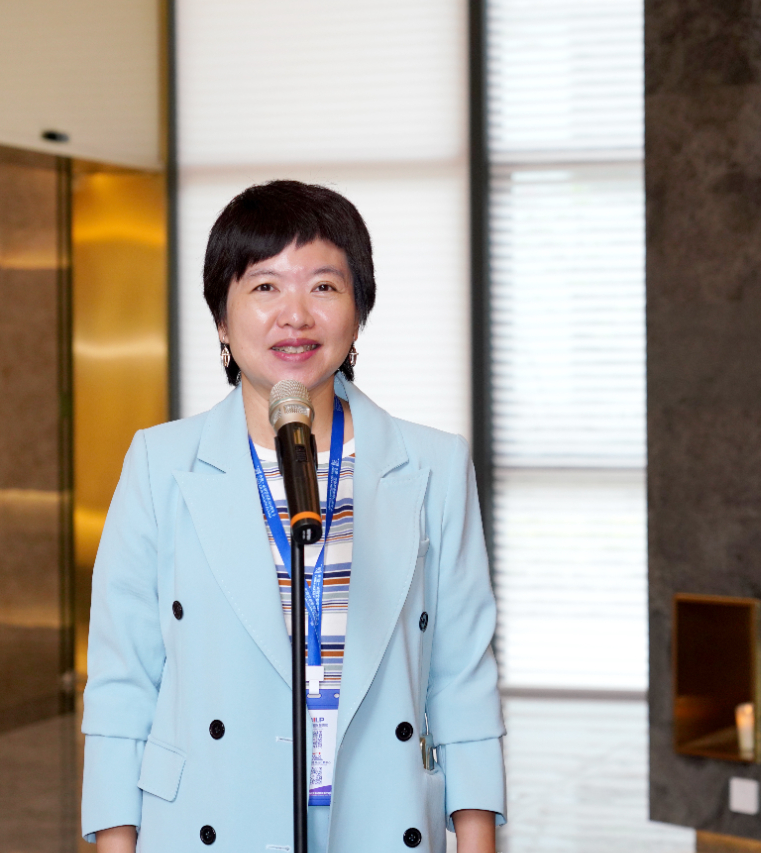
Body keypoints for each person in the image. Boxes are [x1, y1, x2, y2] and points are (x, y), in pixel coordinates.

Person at [81, 180, 505, 853]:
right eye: (265, 286)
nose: (296, 315)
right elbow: (122, 683)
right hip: (210, 819)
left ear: (358, 312)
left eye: (324, 286)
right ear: (222, 320)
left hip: (378, 818)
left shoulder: (434, 466)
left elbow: (462, 681)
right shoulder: (160, 464)